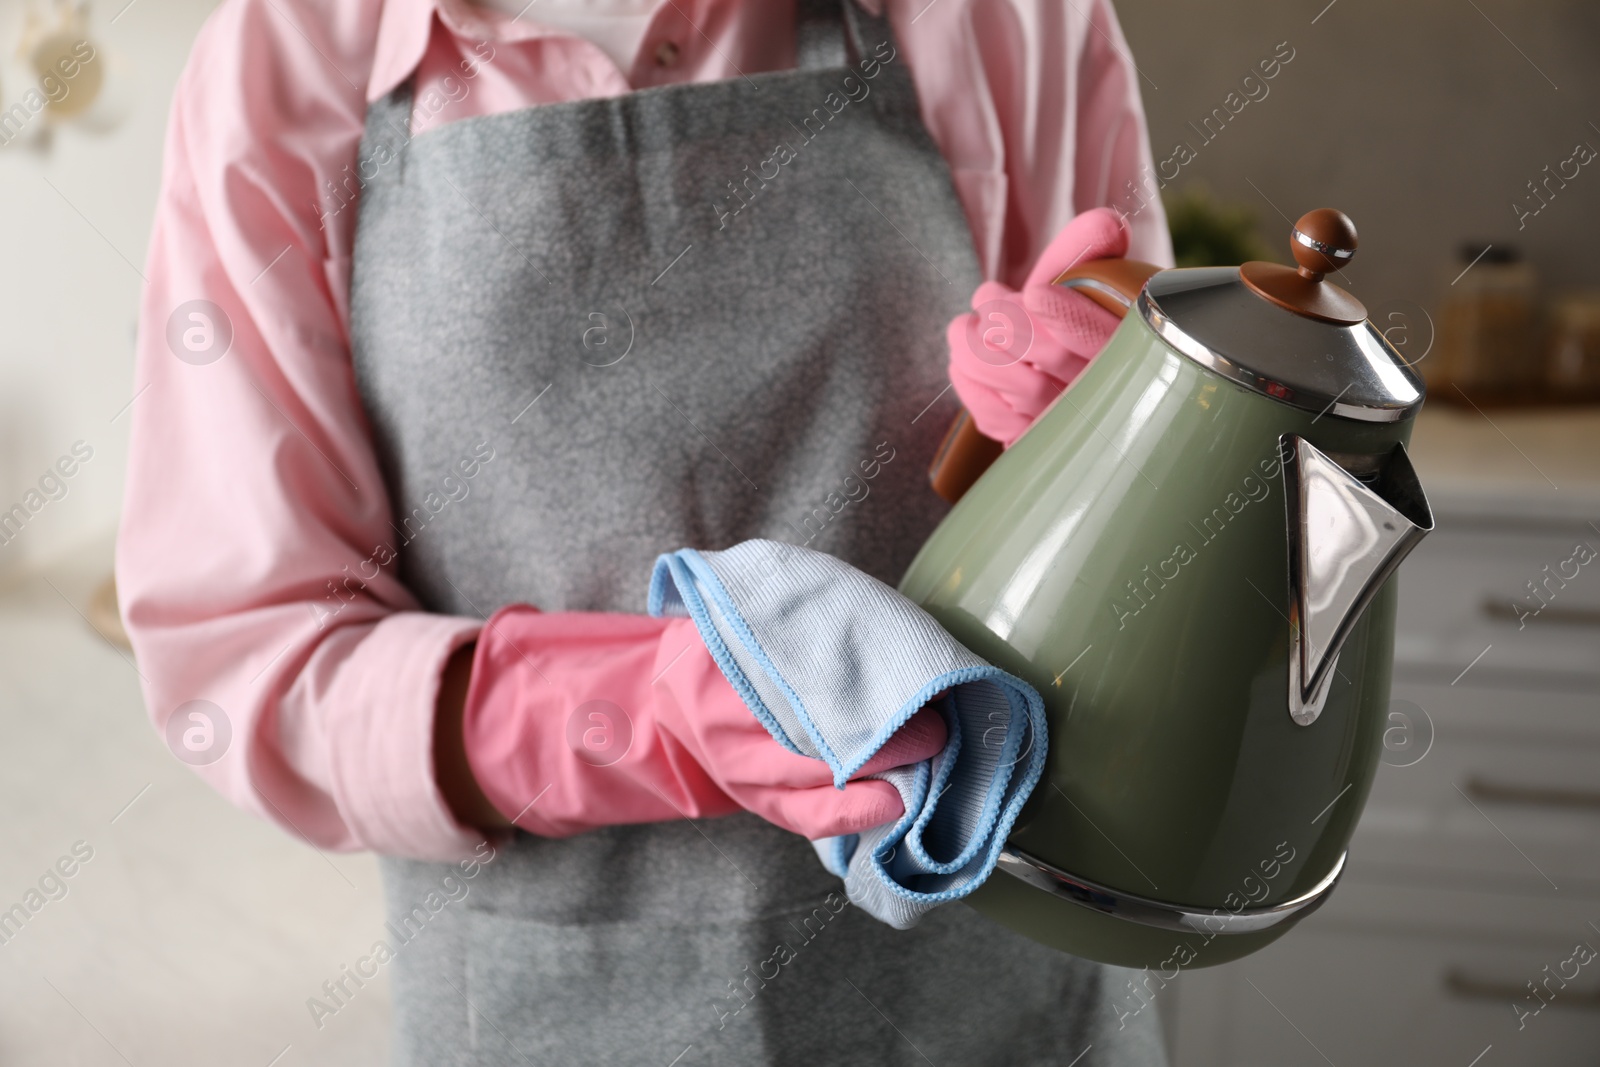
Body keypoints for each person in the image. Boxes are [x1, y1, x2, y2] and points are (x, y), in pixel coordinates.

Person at [118, 0, 1173, 1062]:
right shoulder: (288, 62)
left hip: (994, 986)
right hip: (553, 1005)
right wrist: (654, 707)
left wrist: (1108, 450)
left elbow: (1176, 585)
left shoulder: (1010, 21)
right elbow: (249, 658)